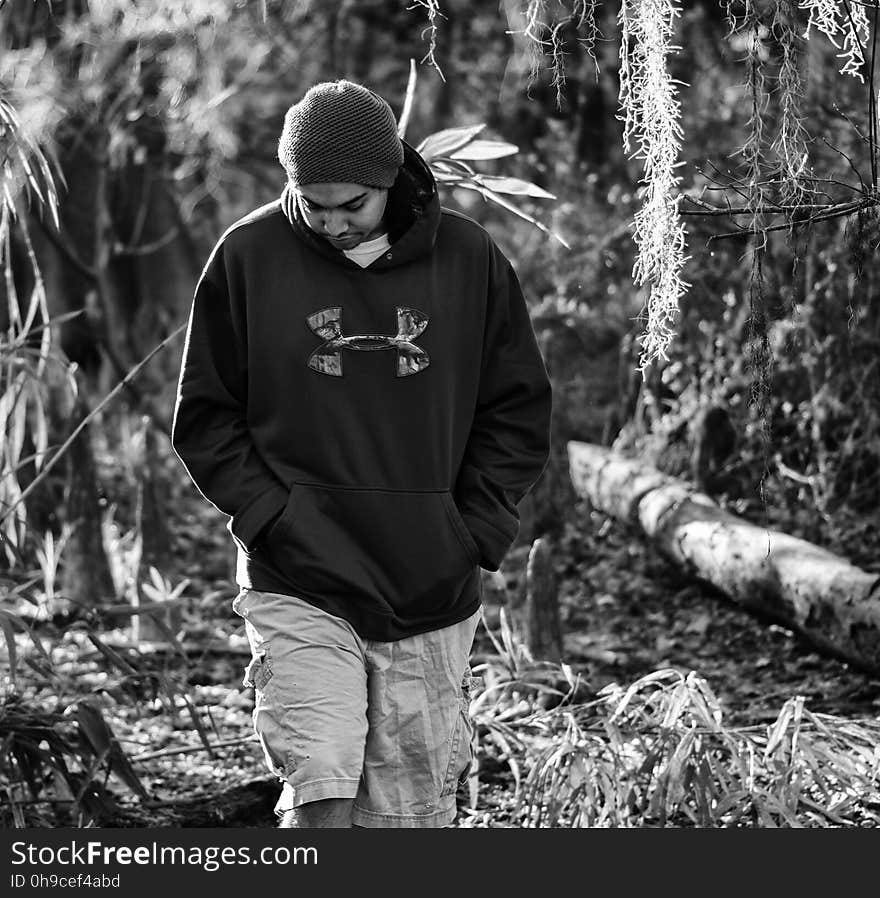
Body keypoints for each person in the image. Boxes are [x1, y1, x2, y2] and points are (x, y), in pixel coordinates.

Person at [171, 79, 552, 828]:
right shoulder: (249, 256)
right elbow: (208, 415)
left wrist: (472, 529)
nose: (334, 223)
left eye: (354, 205)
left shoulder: (468, 260)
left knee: (405, 819)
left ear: (390, 180)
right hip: (299, 574)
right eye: (315, 205)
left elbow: (515, 409)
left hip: (429, 585)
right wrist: (271, 516)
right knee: (323, 791)